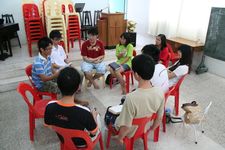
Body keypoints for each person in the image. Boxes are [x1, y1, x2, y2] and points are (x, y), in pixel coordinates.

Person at [44, 67, 101, 147]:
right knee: (96, 115)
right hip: (83, 143)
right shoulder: (84, 112)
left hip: (63, 139)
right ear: (78, 87)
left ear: (58, 86)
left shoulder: (49, 106)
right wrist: (94, 115)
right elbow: (93, 132)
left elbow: (49, 126)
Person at [114, 54, 164, 144]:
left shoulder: (131, 98)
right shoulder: (160, 92)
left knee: (110, 115)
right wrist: (150, 129)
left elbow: (126, 126)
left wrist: (120, 138)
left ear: (136, 75)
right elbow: (159, 118)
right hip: (145, 127)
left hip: (130, 132)